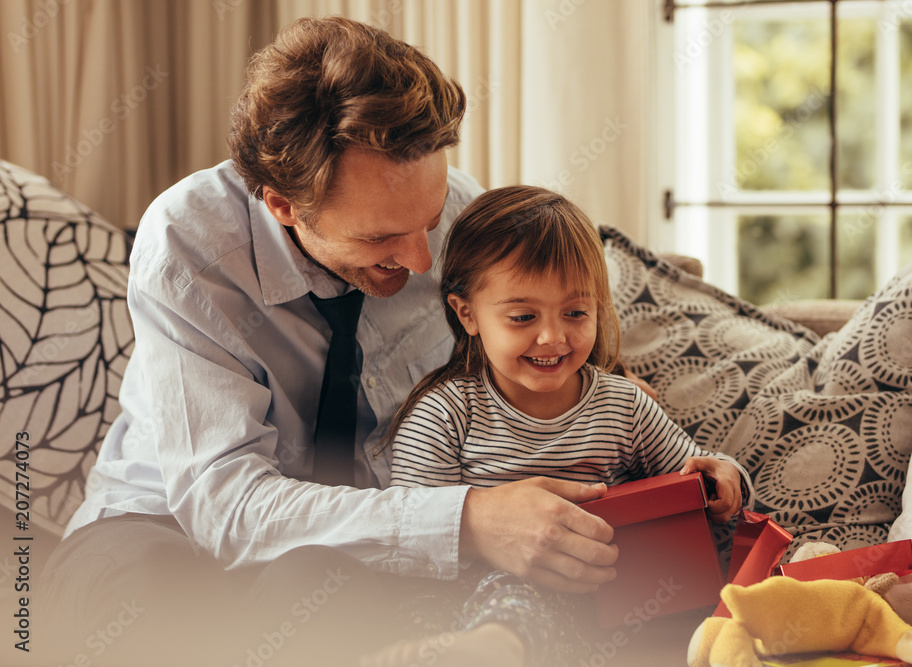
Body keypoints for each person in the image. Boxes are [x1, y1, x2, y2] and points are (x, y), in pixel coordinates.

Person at [38, 17, 623, 667]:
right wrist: (467, 520)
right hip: (162, 530)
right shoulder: (190, 243)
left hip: (351, 552)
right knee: (155, 607)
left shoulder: (461, 217)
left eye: (427, 221)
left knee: (321, 591)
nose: (424, 262)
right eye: (380, 239)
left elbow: (532, 370)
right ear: (283, 203)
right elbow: (227, 509)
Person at [365, 186, 753, 667]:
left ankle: (498, 649)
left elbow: (693, 477)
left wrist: (725, 477)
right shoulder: (443, 416)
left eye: (576, 313)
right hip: (463, 606)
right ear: (468, 314)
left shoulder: (622, 405)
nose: (552, 337)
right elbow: (413, 544)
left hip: (597, 603)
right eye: (523, 316)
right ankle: (480, 647)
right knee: (438, 608)